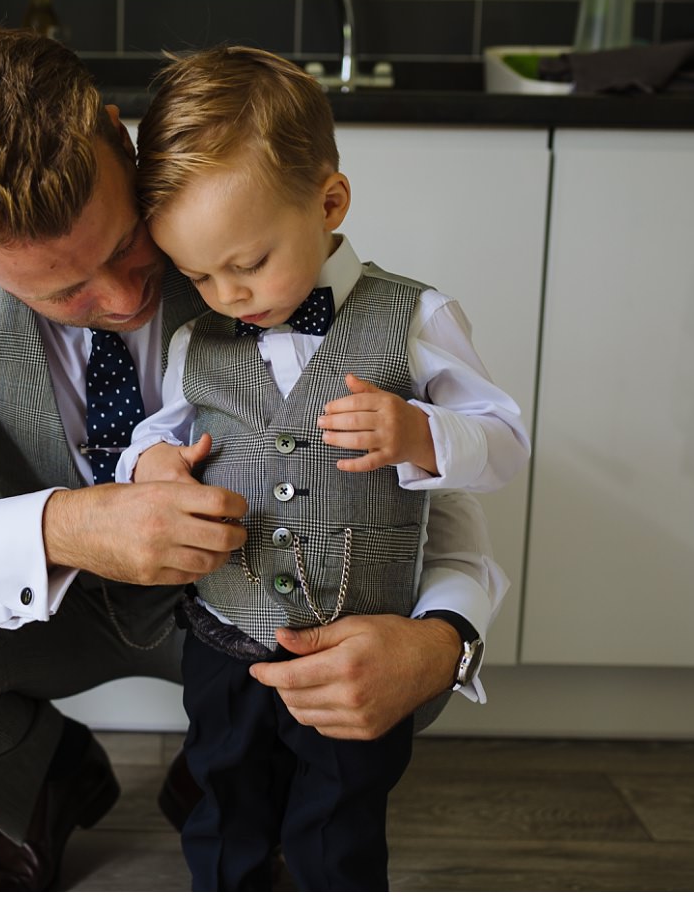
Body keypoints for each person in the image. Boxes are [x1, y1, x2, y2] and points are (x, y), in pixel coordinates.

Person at [0, 27, 511, 892]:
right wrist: (75, 524)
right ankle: (46, 783)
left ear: (118, 135)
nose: (122, 297)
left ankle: (241, 775)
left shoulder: (239, 229)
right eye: (61, 292)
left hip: (263, 603)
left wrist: (448, 641)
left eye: (122, 246)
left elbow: (420, 482)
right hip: (62, 610)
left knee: (403, 669)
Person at [116, 46, 530, 890]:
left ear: (329, 200)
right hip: (225, 637)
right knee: (222, 802)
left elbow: (507, 441)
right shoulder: (199, 340)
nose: (227, 293)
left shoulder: (414, 317)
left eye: (249, 262)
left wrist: (420, 432)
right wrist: (149, 461)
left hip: (357, 642)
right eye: (198, 273)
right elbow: (154, 435)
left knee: (339, 822)